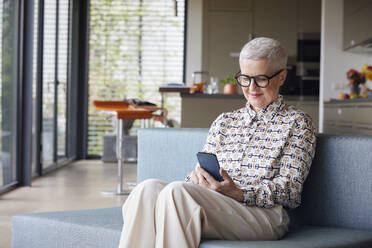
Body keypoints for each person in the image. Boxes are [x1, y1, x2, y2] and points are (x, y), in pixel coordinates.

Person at [118, 37, 316, 248]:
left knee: (176, 193)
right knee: (147, 189)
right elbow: (198, 176)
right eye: (245, 78)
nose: (252, 88)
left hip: (265, 216)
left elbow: (291, 193)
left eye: (261, 79)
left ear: (282, 77)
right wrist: (197, 178)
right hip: (218, 204)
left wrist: (238, 193)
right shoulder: (224, 121)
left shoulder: (298, 123)